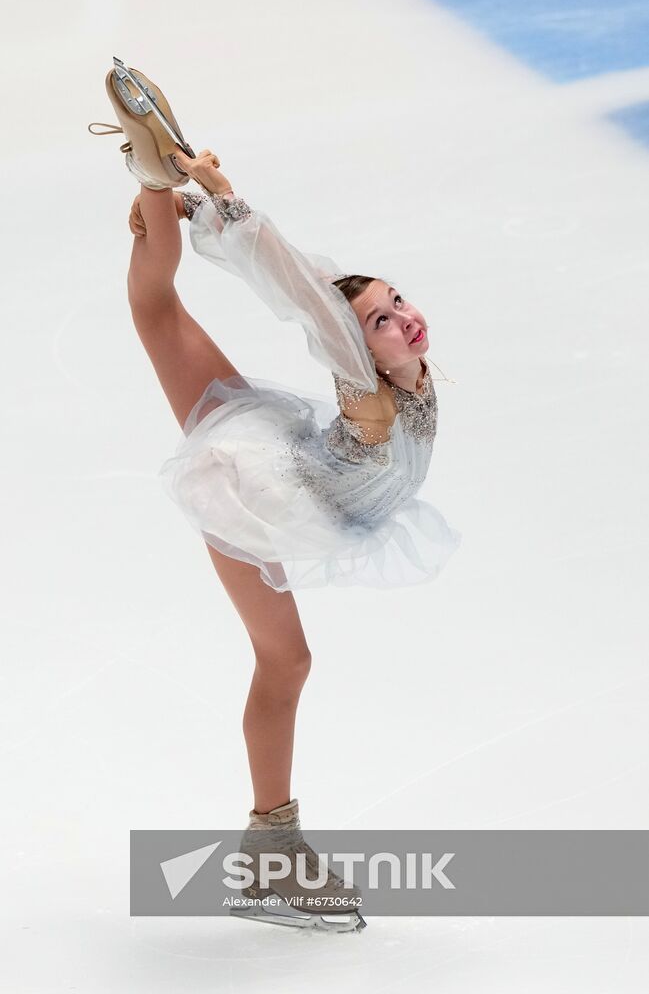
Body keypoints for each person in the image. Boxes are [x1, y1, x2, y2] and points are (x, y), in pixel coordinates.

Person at [89, 58, 462, 932]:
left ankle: (151, 178)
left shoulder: (400, 365)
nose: (402, 318)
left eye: (397, 299)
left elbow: (320, 276)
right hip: (258, 492)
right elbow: (306, 297)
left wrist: (194, 202)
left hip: (286, 448)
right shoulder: (368, 395)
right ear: (355, 351)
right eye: (378, 321)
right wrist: (226, 200)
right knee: (287, 662)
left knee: (160, 317)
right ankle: (270, 858)